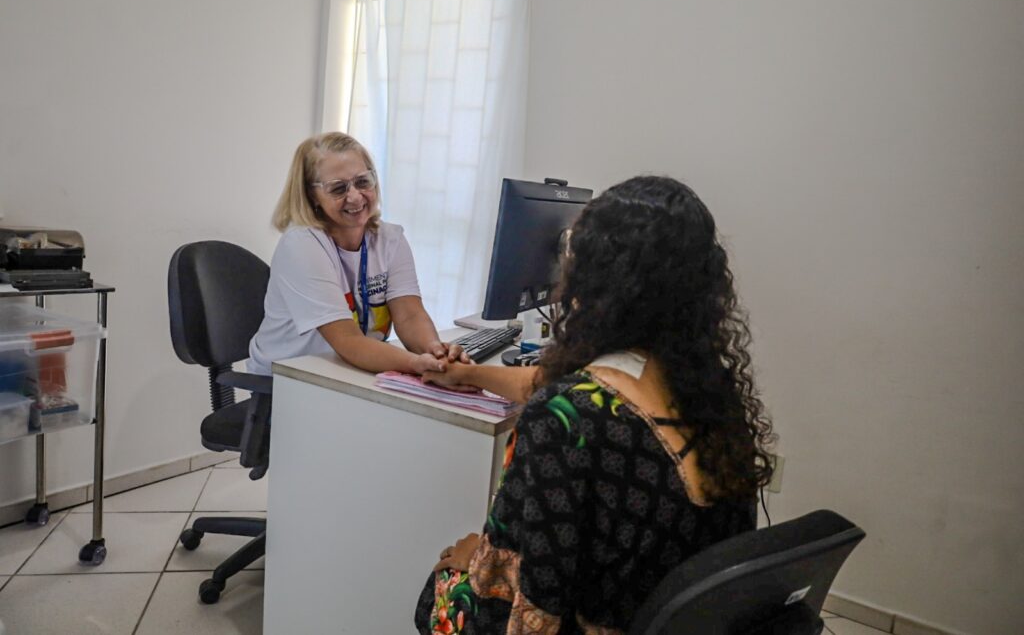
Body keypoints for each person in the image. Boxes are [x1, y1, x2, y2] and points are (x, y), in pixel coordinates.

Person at [414, 176, 776, 633]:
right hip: (665, 618)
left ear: (591, 278)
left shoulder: (562, 419)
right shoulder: (706, 388)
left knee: (438, 589)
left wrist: (475, 564)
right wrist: (470, 374)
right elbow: (555, 386)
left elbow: (531, 609)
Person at [248, 132, 467, 376]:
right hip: (287, 381)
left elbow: (409, 315)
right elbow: (347, 340)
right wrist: (417, 364)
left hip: (352, 372)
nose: (354, 196)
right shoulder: (301, 245)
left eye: (363, 182)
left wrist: (435, 353)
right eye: (338, 188)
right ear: (312, 196)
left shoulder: (390, 239)